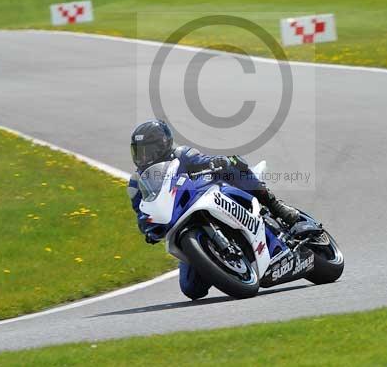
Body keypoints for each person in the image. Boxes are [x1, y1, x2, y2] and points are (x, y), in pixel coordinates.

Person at [126, 119, 300, 299]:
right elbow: (142, 211)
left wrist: (215, 162)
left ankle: (277, 207)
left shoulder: (182, 154)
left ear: (163, 144)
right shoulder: (137, 182)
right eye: (138, 151)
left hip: (207, 195)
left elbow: (204, 160)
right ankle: (219, 261)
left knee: (232, 163)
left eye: (147, 150)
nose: (143, 157)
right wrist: (148, 228)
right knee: (191, 289)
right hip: (180, 221)